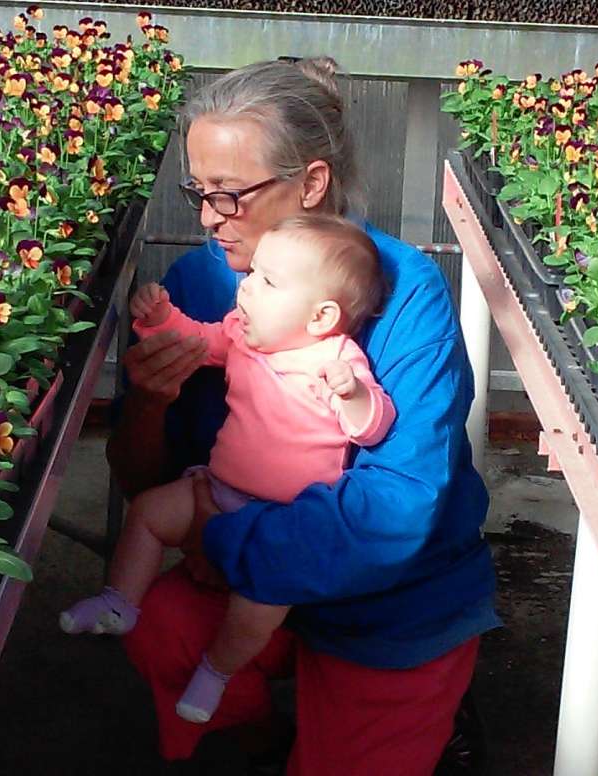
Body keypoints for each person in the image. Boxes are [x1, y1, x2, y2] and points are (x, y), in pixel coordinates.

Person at [110, 56, 499, 775]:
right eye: (199, 190)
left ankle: (427, 713)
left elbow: (394, 511)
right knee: (162, 628)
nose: (206, 217)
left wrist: (228, 541)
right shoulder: (198, 283)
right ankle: (265, 741)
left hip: (387, 598)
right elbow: (143, 481)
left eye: (229, 194)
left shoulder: (403, 290)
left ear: (311, 184)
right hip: (247, 575)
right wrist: (153, 405)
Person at [62, 214, 396, 727]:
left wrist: (351, 395)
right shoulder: (241, 334)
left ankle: (216, 673)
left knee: (257, 604)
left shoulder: (335, 358)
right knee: (149, 513)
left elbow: (371, 427)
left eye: (267, 282)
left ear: (320, 316)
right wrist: (160, 319)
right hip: (218, 489)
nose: (246, 288)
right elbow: (196, 341)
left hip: (284, 520)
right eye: (252, 274)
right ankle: (120, 600)